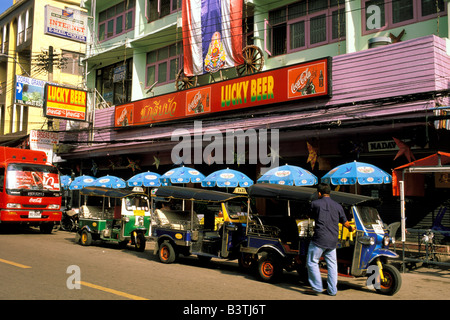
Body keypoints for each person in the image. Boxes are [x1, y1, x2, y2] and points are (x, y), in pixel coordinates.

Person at [306, 183, 354, 296]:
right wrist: (351, 228)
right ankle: (332, 290)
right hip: (333, 240)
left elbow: (309, 216)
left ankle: (317, 287)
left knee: (312, 262)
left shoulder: (315, 204)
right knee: (332, 265)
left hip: (319, 240)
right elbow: (345, 222)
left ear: (319, 193)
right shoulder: (338, 206)